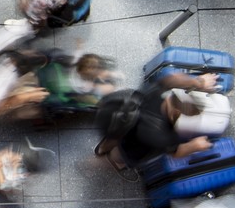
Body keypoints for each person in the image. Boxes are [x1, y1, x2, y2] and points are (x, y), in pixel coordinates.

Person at [94, 72, 227, 175]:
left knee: (115, 134)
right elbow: (176, 153)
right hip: (132, 145)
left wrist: (199, 81)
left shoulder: (159, 90)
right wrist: (194, 146)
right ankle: (114, 162)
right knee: (122, 155)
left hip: (118, 117)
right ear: (175, 114)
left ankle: (102, 148)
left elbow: (174, 78)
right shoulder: (163, 135)